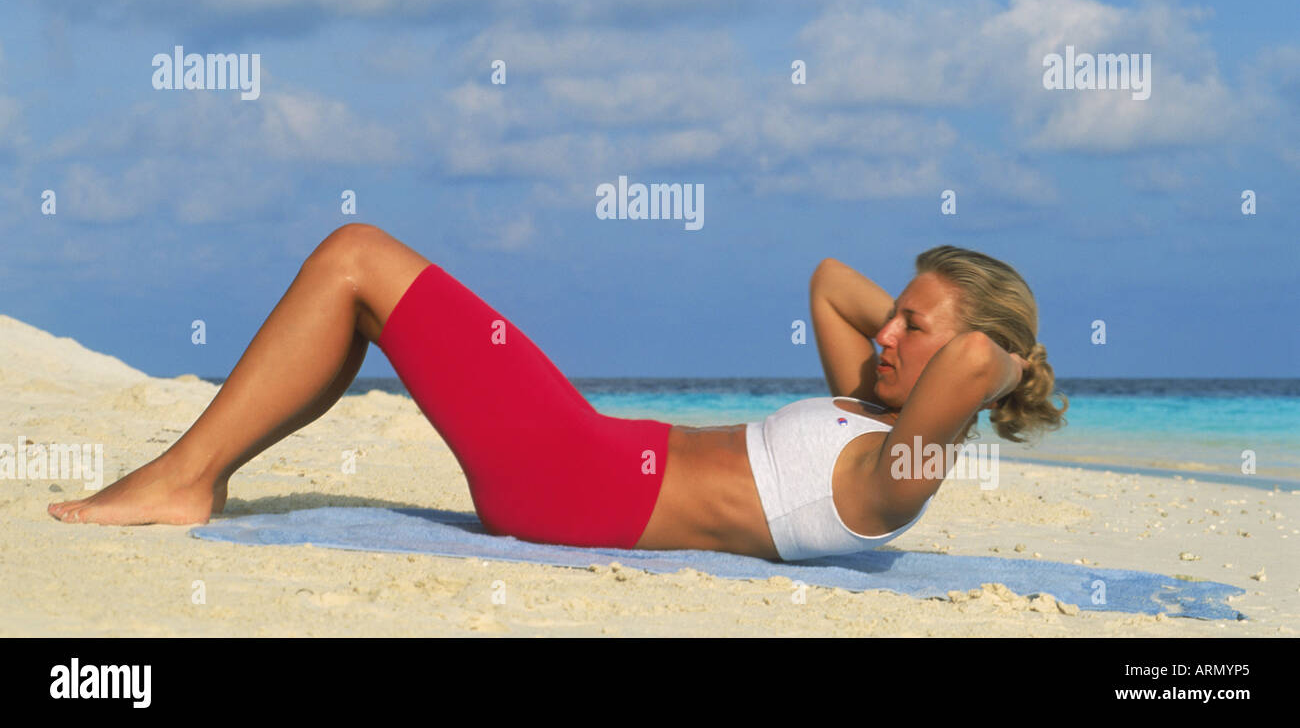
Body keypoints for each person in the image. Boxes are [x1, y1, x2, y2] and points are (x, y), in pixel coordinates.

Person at [48, 224, 1067, 562]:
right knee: (364, 284)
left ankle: (185, 476)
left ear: (971, 358)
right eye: (892, 319)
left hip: (571, 477)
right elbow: (830, 276)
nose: (882, 331)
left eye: (912, 327)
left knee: (358, 256)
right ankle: (195, 471)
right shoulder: (872, 412)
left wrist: (1012, 355)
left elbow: (975, 364)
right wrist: (920, 322)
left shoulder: (899, 474)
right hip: (585, 452)